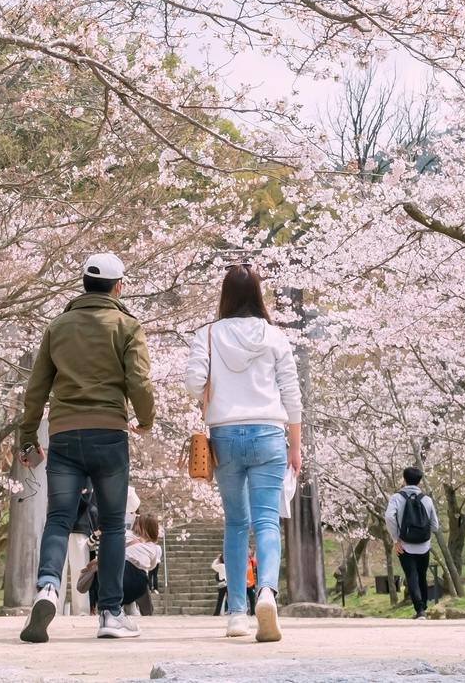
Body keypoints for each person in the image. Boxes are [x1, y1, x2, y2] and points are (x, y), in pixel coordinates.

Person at [17, 252, 155, 643]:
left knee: (58, 518)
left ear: (83, 283)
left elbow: (36, 389)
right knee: (113, 525)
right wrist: (145, 420)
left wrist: (29, 438)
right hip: (110, 435)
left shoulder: (57, 327)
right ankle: (110, 614)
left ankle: (46, 586)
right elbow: (140, 382)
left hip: (64, 436)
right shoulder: (127, 325)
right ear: (118, 286)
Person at [185, 262, 302, 644]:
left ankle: (237, 613)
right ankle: (266, 592)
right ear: (257, 294)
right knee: (267, 521)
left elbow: (192, 383)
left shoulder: (207, 334)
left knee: (236, 524)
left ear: (225, 295)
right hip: (270, 432)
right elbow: (292, 394)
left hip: (225, 435)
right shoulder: (275, 336)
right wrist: (295, 446)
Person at [385, 465, 440, 617]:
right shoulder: (427, 500)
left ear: (404, 479)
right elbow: (435, 526)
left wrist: (396, 538)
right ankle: (425, 607)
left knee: (411, 575)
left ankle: (420, 610)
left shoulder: (396, 498)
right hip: (424, 545)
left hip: (404, 546)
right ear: (419, 481)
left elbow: (389, 517)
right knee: (422, 574)